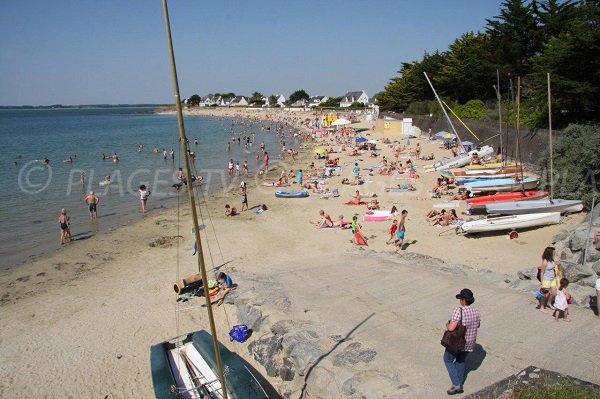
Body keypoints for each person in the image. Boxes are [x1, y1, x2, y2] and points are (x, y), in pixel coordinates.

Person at [443, 288, 481, 395]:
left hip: (457, 343)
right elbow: (478, 325)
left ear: (463, 300)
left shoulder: (459, 311)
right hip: (470, 342)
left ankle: (456, 384)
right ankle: (459, 383)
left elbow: (451, 328)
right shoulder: (476, 311)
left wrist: (447, 323)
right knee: (460, 361)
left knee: (448, 360)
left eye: (460, 299)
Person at [539, 246, 559, 313]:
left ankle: (549, 303)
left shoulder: (551, 260)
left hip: (552, 279)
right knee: (545, 294)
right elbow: (542, 273)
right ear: (549, 253)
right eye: (553, 252)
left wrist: (557, 263)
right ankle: (542, 307)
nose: (554, 253)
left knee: (554, 293)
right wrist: (542, 283)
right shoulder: (545, 261)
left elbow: (552, 266)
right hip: (546, 280)